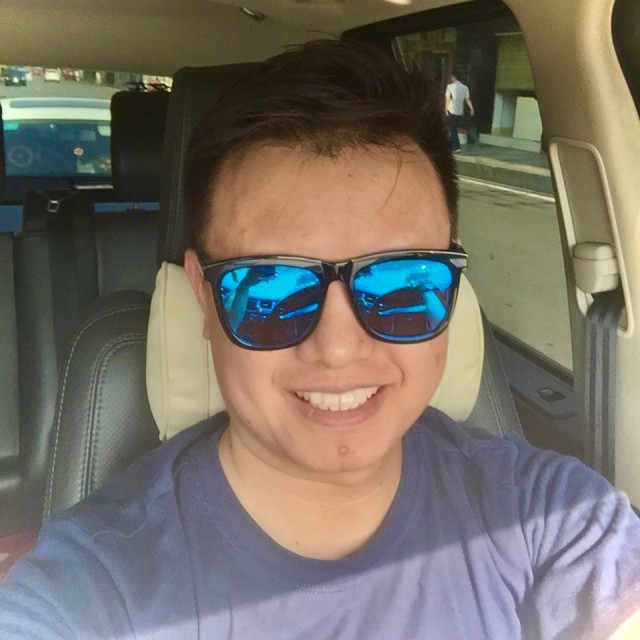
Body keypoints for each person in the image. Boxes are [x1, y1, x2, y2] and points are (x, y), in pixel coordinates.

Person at [1, 39, 639, 640]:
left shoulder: (549, 517)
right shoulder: (95, 586)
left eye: (401, 282)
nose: (338, 348)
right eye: (271, 289)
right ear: (203, 296)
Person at [445, 70, 474, 153]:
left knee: (453, 130)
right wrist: (472, 108)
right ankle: (448, 146)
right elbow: (467, 99)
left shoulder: (450, 86)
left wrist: (445, 109)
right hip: (460, 112)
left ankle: (457, 147)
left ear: (453, 77)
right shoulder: (465, 88)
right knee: (453, 129)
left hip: (451, 110)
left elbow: (447, 99)